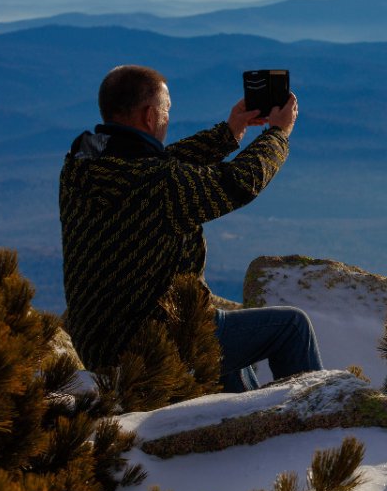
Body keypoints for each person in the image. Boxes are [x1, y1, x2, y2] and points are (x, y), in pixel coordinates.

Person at [60, 65, 322, 392]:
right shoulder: (158, 185)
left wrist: (230, 133)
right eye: (166, 110)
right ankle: (310, 422)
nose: (169, 118)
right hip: (154, 344)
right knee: (292, 328)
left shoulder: (82, 163)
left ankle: (243, 427)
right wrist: (278, 135)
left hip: (100, 342)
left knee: (228, 358)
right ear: (149, 116)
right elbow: (236, 184)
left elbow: (161, 163)